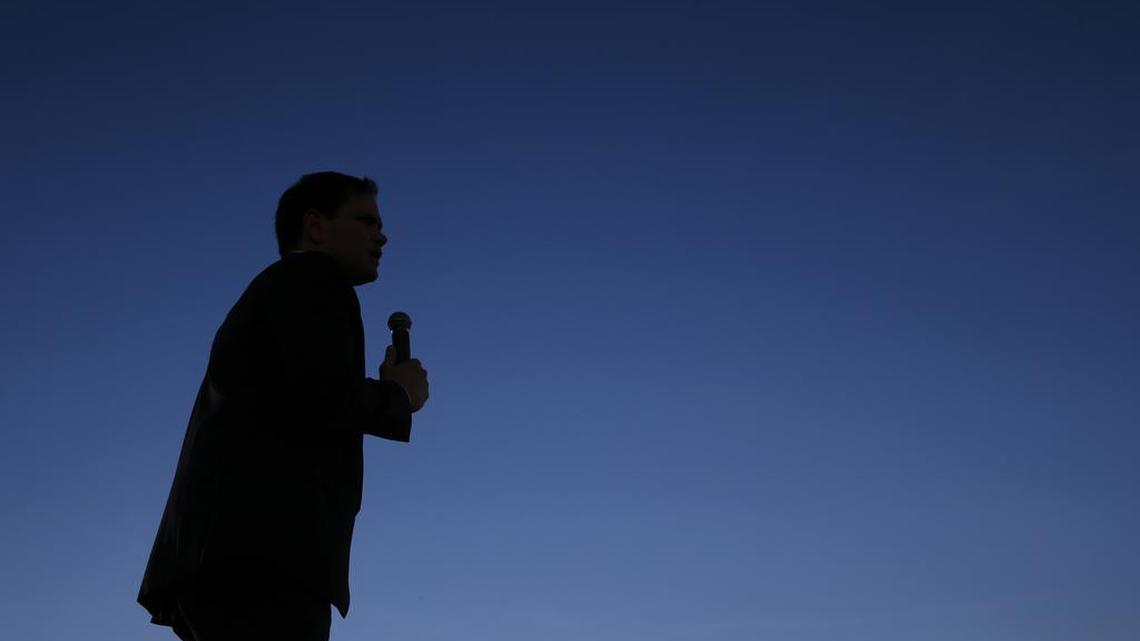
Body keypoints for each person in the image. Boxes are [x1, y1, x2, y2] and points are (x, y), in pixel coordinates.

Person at [137, 171, 430, 640]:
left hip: (229, 558)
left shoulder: (278, 292)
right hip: (266, 557)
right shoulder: (315, 280)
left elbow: (298, 395)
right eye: (366, 221)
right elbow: (322, 394)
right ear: (315, 226)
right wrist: (398, 395)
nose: (382, 236)